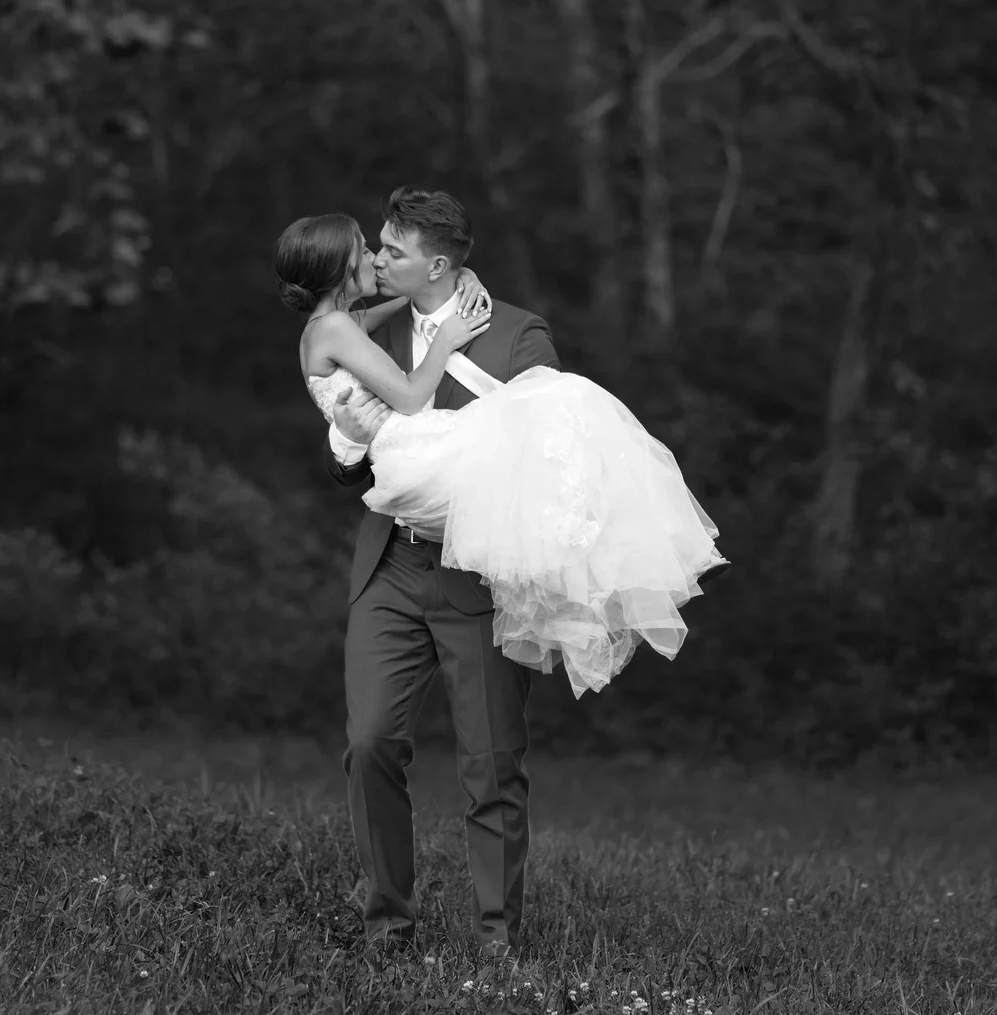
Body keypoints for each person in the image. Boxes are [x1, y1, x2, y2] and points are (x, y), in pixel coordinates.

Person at [275, 187, 723, 956]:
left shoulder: (517, 334)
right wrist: (345, 450)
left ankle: (495, 939)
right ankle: (386, 920)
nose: (379, 258)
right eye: (374, 247)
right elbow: (354, 448)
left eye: (393, 249)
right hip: (389, 567)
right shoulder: (359, 327)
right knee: (372, 741)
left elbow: (560, 466)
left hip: (475, 581)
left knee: (491, 759)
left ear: (438, 263)